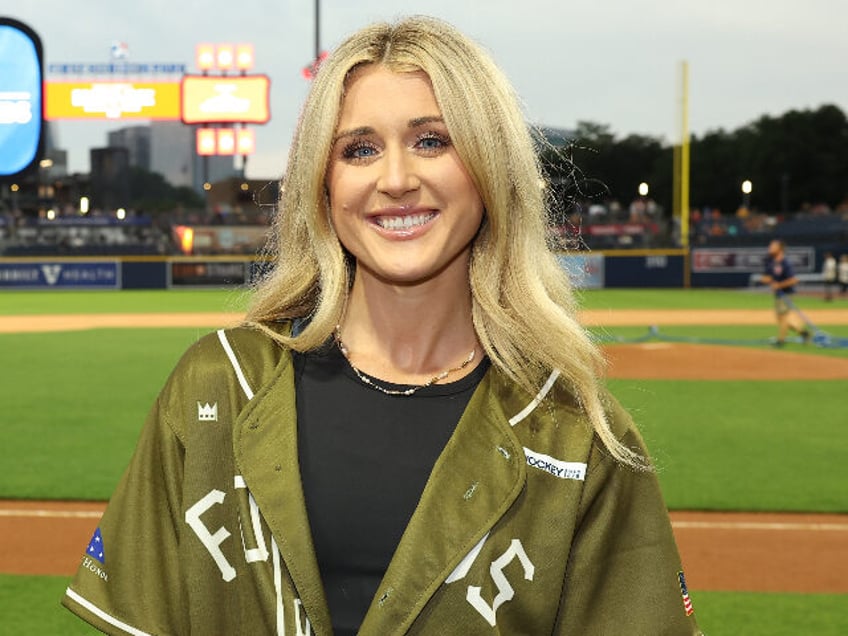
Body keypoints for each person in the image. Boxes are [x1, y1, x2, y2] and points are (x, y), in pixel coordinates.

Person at [62, 16, 702, 635]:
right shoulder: (218, 386)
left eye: (432, 140)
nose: (396, 180)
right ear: (323, 183)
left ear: (489, 170)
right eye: (360, 149)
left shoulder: (573, 431)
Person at [761, 239, 811, 346]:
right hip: (778, 295)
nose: (769, 248)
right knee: (781, 318)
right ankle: (803, 332)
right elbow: (766, 277)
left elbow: (793, 280)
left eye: (772, 246)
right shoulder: (771, 262)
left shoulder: (785, 263)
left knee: (783, 317)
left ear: (779, 249)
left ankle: (781, 341)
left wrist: (779, 285)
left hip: (786, 294)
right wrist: (767, 280)